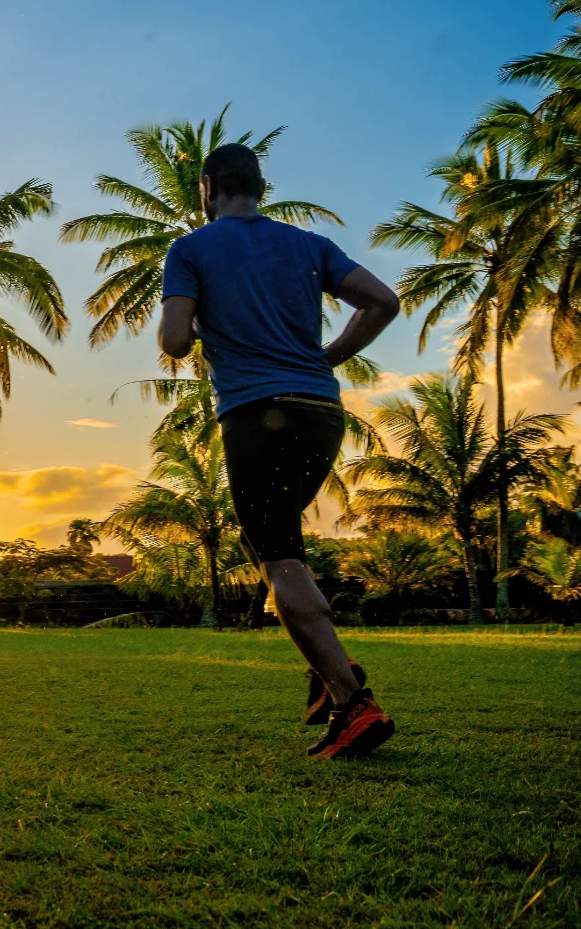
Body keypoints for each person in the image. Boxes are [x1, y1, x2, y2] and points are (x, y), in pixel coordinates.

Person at [158, 143, 402, 759]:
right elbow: (383, 301)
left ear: (207, 188)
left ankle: (351, 701)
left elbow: (176, 340)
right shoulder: (309, 245)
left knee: (281, 556)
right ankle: (327, 673)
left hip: (255, 414)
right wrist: (327, 358)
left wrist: (194, 318)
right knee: (263, 541)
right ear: (261, 188)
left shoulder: (190, 249)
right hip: (321, 412)